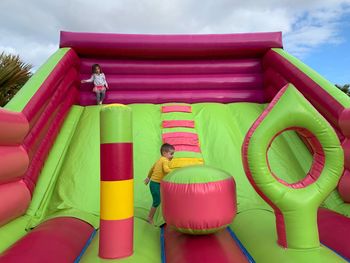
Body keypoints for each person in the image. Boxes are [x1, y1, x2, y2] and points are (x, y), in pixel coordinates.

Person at [144, 143, 175, 225]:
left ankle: (165, 214)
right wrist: (174, 171)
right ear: (164, 153)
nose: (172, 156)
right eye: (171, 154)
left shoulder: (159, 160)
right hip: (155, 184)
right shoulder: (164, 160)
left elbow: (151, 169)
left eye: (173, 154)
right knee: (157, 201)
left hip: (154, 183)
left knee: (162, 198)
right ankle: (149, 218)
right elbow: (165, 170)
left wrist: (148, 177)